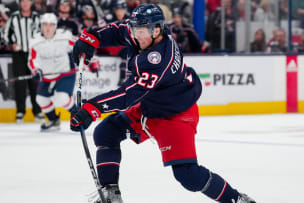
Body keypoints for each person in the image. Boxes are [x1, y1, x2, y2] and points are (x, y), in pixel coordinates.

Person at [70, 4, 256, 203]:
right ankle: (110, 194)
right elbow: (118, 31)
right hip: (150, 105)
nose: (135, 35)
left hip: (175, 115)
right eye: (135, 29)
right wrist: (91, 37)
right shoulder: (143, 33)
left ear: (156, 30)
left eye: (140, 31)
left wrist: (94, 108)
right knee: (106, 132)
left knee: (188, 175)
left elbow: (128, 95)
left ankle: (236, 199)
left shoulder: (158, 59)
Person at [28, 12, 76, 131]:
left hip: (65, 73)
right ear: (41, 26)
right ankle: (53, 120)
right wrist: (36, 70)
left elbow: (81, 46)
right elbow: (32, 59)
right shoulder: (35, 41)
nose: (48, 28)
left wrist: (91, 60)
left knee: (62, 98)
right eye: (45, 24)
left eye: (51, 25)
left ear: (55, 26)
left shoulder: (65, 36)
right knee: (40, 99)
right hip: (47, 76)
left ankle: (78, 116)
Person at [3, 0, 44, 123]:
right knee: (20, 83)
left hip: (34, 54)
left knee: (34, 83)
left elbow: (43, 34)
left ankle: (37, 111)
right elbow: (5, 34)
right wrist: (12, 44)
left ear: (31, 3)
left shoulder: (37, 17)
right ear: (20, 3)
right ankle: (20, 111)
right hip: (19, 55)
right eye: (23, 2)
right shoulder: (14, 17)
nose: (25, 4)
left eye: (27, 1)